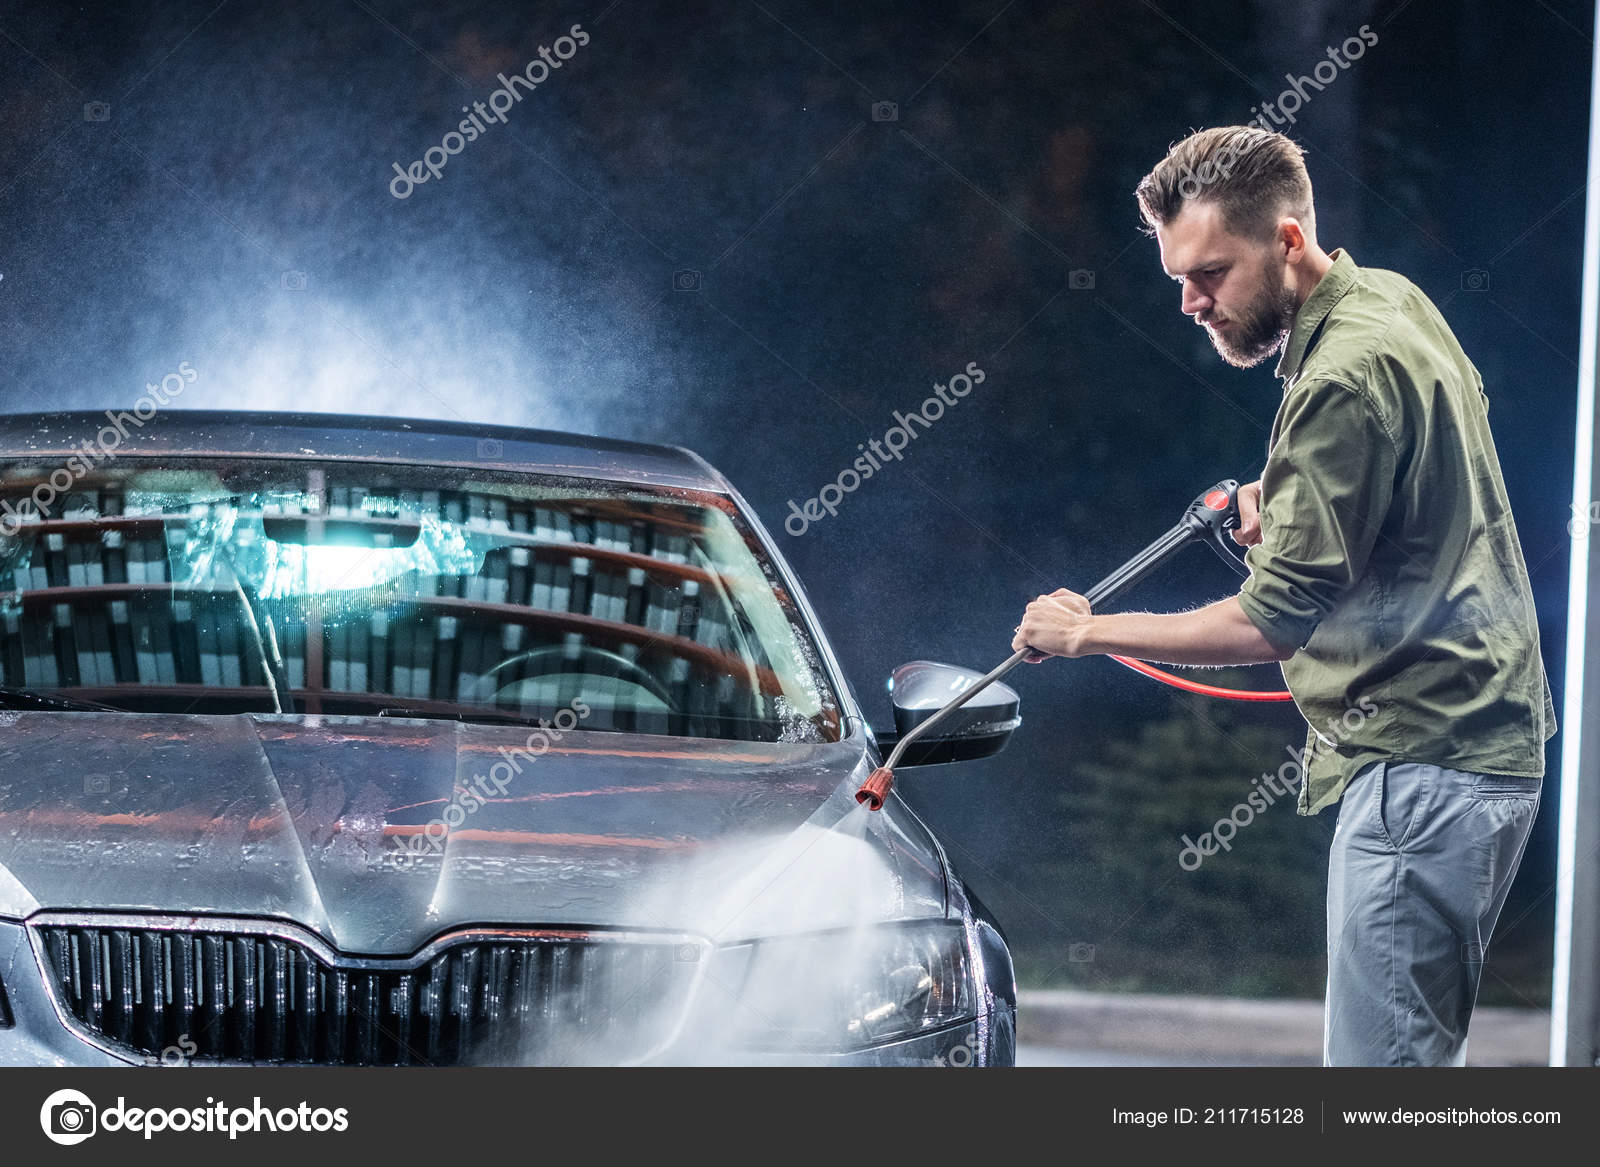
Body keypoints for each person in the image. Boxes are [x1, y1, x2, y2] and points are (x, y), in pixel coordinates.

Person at [1012, 125, 1556, 1066]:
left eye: (1212, 272)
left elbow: (1269, 621)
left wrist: (1087, 631)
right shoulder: (1390, 304)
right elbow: (1425, 463)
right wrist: (1304, 500)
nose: (1190, 301)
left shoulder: (1340, 374)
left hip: (1420, 770)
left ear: (1288, 242)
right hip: (1481, 753)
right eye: (1180, 276)